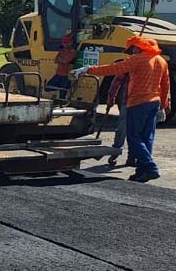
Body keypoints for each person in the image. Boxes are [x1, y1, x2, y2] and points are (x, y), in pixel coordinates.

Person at [72, 36, 170, 182]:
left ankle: (150, 168)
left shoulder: (137, 60)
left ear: (139, 47)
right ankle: (142, 171)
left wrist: (88, 69)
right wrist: (163, 105)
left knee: (134, 138)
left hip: (138, 103)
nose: (132, 52)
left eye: (133, 49)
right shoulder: (161, 61)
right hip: (153, 103)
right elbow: (166, 85)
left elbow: (114, 69)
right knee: (147, 138)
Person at [106, 73, 131, 167]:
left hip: (128, 102)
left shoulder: (128, 64)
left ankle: (116, 152)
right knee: (136, 132)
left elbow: (116, 84)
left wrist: (110, 99)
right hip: (142, 104)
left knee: (122, 129)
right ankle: (132, 157)